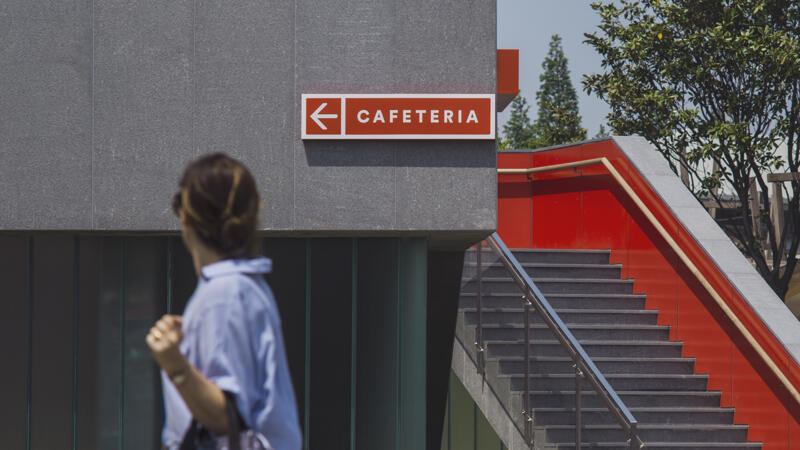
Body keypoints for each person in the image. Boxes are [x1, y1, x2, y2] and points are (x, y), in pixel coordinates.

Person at [146, 153, 302, 450]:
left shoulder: (224, 294)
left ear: (185, 218)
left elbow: (225, 415)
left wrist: (173, 362)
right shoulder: (243, 287)